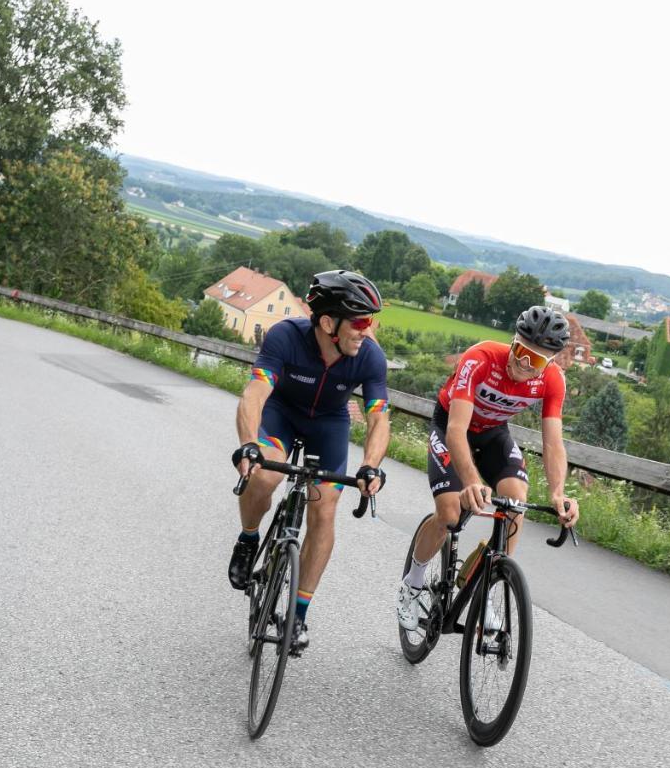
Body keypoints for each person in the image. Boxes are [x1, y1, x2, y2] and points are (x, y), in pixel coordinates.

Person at [229, 270, 391, 654]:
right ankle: (249, 538)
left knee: (325, 508)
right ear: (327, 322)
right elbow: (255, 394)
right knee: (265, 476)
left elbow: (379, 417)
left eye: (371, 322)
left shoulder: (370, 356)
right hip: (282, 412)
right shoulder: (286, 336)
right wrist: (249, 444)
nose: (367, 331)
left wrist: (370, 464)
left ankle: (298, 614)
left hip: (329, 424)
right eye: (361, 321)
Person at [396, 305, 580, 631]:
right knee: (450, 513)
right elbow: (455, 429)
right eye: (521, 352)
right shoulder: (479, 358)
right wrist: (471, 481)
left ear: (549, 363)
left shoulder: (553, 381)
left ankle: (486, 588)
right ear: (512, 342)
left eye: (535, 360)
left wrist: (557, 493)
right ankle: (412, 583)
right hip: (452, 425)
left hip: (494, 433)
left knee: (516, 500)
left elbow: (553, 443)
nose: (524, 364)